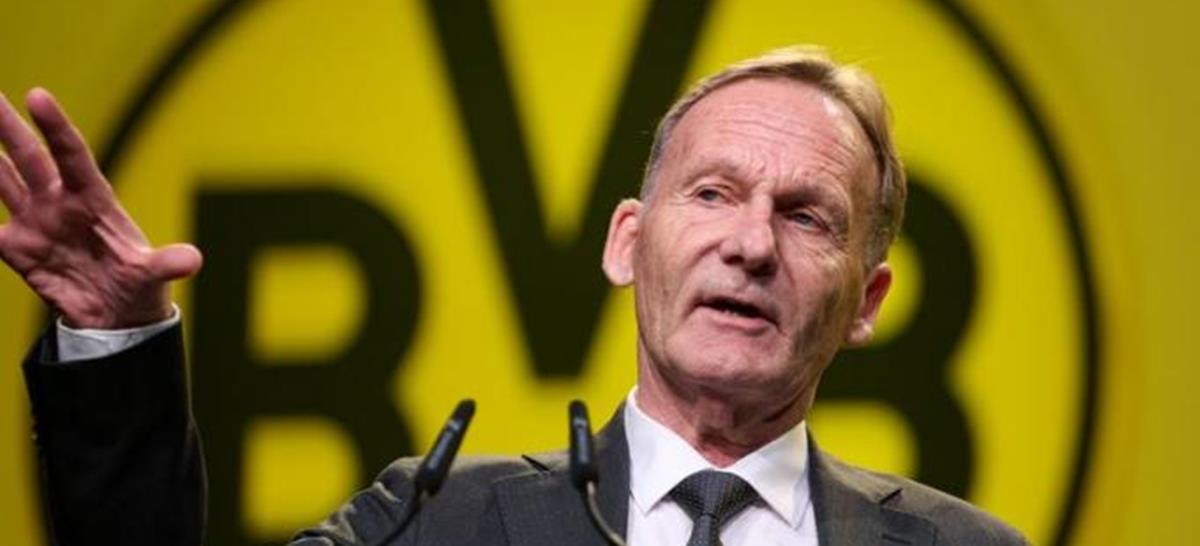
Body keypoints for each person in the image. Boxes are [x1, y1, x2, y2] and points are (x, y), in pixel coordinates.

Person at [3, 47, 1028, 545]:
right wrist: (115, 345)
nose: (750, 244)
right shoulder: (432, 522)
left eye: (806, 217)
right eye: (713, 193)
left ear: (866, 300)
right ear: (628, 242)